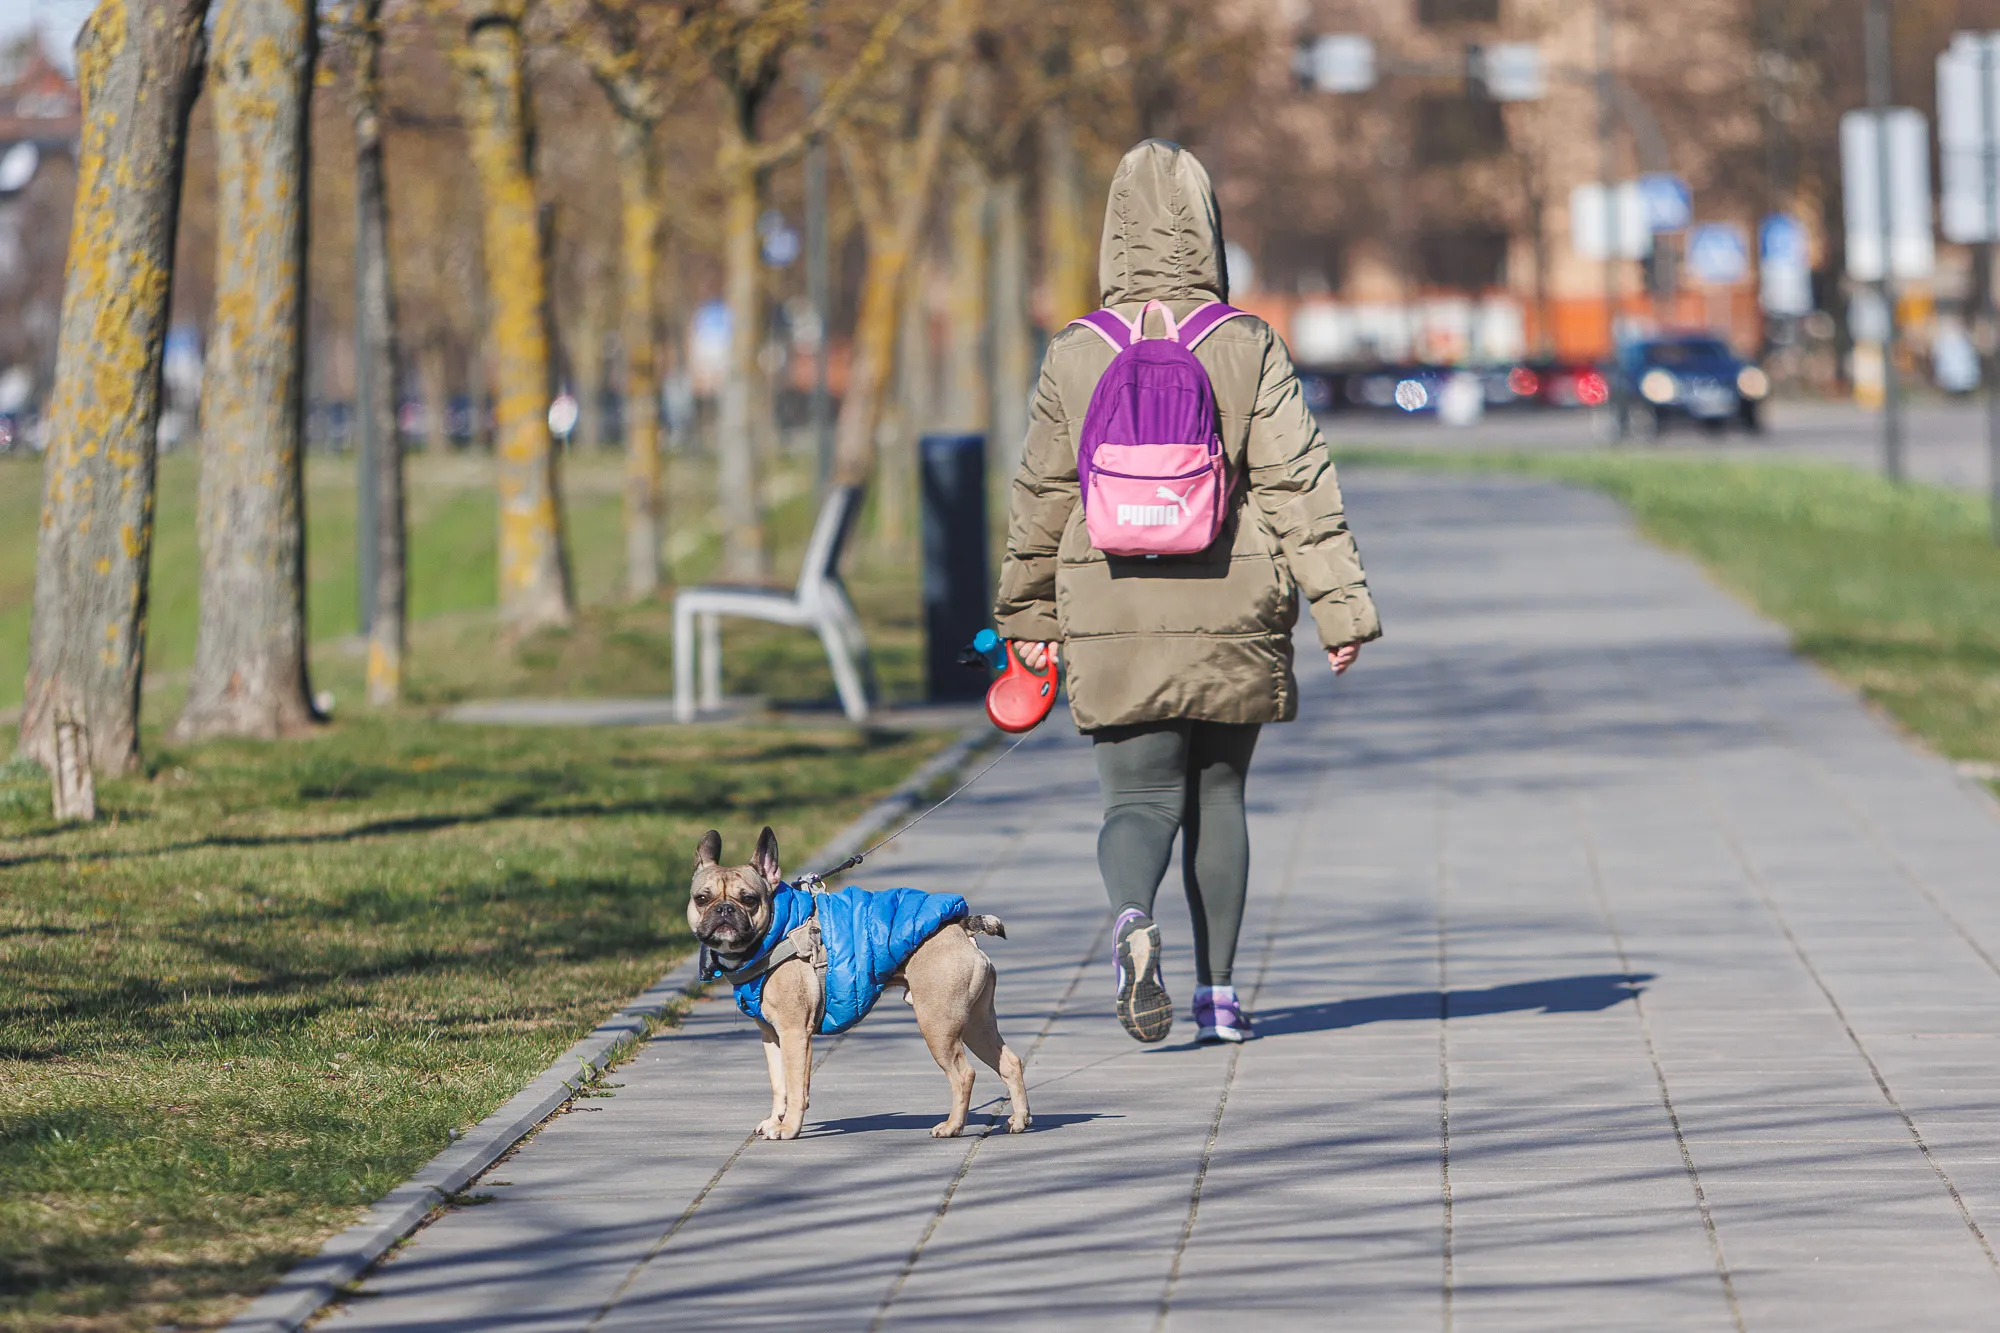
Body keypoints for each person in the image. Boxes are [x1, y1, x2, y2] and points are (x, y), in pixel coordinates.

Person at [992, 140, 1380, 1045]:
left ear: (1114, 234)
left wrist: (1027, 617)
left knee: (1136, 803)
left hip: (1111, 609)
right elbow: (1298, 483)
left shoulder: (1078, 351)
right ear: (1210, 231)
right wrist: (1340, 607)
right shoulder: (1245, 343)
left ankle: (1134, 919)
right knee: (1221, 799)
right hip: (1233, 605)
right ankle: (1219, 996)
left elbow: (1042, 494)